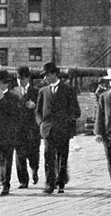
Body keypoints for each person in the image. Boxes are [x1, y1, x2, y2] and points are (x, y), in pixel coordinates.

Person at [37, 62, 80, 194]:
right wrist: (41, 124)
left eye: (47, 75)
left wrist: (66, 121)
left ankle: (60, 182)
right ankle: (49, 183)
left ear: (54, 74)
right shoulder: (43, 91)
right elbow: (38, 112)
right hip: (48, 130)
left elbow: (76, 112)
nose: (45, 79)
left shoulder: (68, 90)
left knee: (62, 157)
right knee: (48, 157)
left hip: (63, 130)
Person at [13, 67, 42, 187]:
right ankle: (23, 181)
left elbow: (41, 108)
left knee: (33, 152)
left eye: (22, 78)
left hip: (32, 128)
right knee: (19, 155)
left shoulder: (36, 92)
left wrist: (34, 106)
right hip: (18, 128)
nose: (20, 81)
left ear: (28, 78)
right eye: (18, 78)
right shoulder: (14, 91)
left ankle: (34, 170)